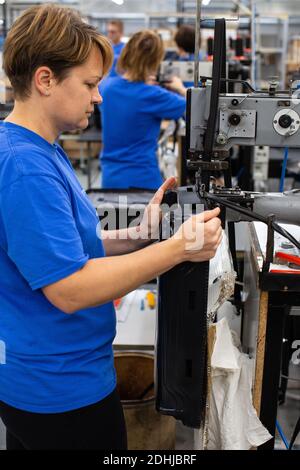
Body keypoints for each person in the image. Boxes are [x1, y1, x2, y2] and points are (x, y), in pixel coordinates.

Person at [0, 4, 222, 450]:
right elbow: (69, 288)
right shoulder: (27, 168)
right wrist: (177, 248)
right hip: (60, 389)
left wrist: (136, 235)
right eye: (89, 84)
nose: (99, 97)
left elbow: (65, 250)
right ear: (45, 80)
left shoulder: (40, 149)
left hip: (56, 375)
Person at [99, 30, 187, 190]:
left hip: (110, 179)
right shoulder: (154, 95)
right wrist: (181, 89)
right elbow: (194, 107)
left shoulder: (106, 88)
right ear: (155, 61)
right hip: (142, 181)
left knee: (116, 216)